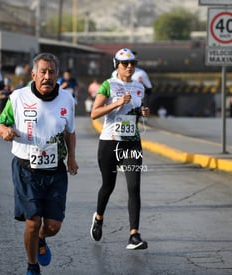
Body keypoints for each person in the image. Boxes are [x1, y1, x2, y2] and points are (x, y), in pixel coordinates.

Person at [0, 53, 78, 275]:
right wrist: (5, 131)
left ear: (57, 75)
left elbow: (70, 131)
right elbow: (0, 124)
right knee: (32, 222)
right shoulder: (18, 97)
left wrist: (71, 157)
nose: (47, 76)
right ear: (34, 74)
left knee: (53, 226)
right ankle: (32, 266)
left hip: (55, 170)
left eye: (51, 72)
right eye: (43, 71)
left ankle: (42, 238)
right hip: (26, 168)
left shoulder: (67, 100)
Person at [90, 48, 150, 250]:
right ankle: (98, 218)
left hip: (131, 141)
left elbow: (134, 112)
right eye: (125, 63)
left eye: (133, 62)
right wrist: (116, 103)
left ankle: (134, 235)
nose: (130, 66)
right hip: (110, 142)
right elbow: (94, 113)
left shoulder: (139, 87)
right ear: (117, 65)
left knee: (134, 188)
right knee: (108, 186)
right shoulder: (108, 85)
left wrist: (142, 112)